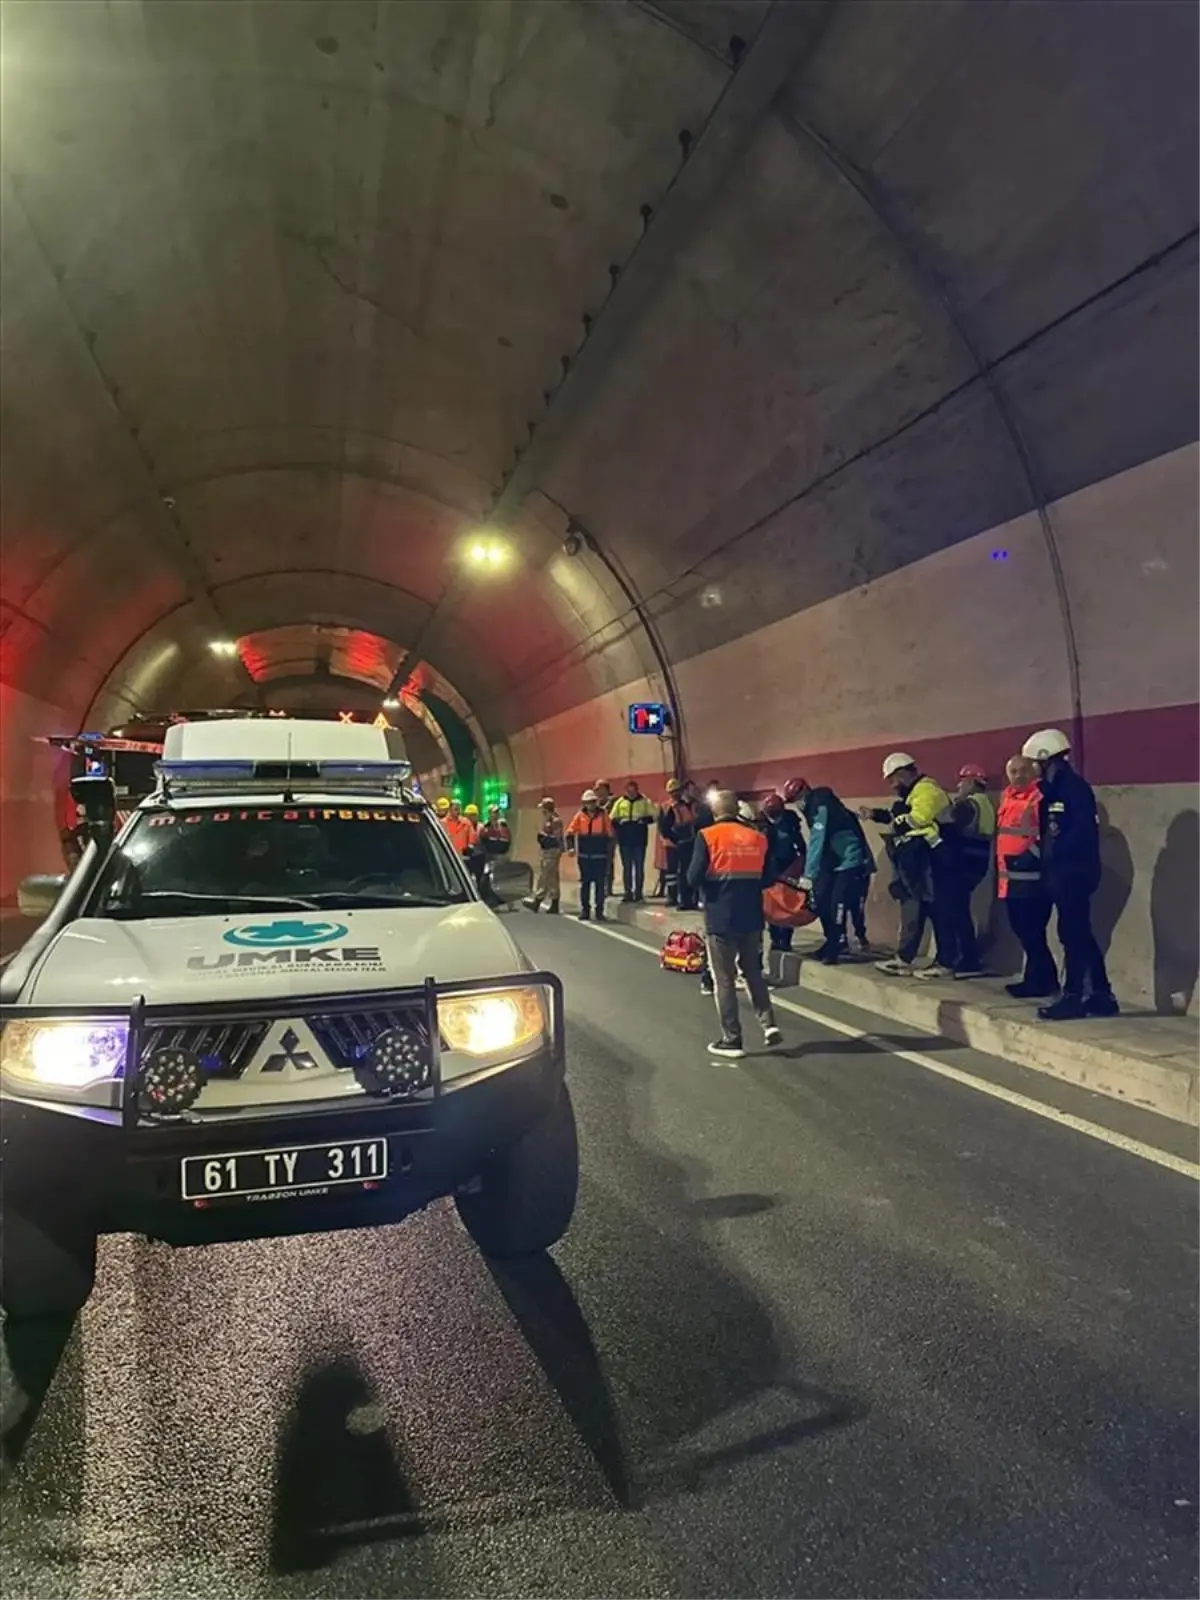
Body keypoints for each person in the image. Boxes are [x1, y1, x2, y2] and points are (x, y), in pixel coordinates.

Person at [1022, 728, 1119, 1019]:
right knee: (1079, 933)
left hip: (1073, 874)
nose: (1033, 769)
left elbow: (1076, 837)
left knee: (1072, 934)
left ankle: (1074, 996)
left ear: (1045, 759)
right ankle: (1101, 995)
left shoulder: (1073, 790)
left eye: (1035, 763)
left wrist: (1061, 868)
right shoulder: (1052, 792)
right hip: (1061, 874)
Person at [688, 791, 783, 1059]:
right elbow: (769, 877)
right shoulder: (757, 837)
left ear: (715, 811)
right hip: (752, 915)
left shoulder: (707, 836)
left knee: (724, 979)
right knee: (752, 971)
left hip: (721, 917)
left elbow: (693, 877)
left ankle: (732, 1039)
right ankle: (769, 1024)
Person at [876, 753, 957, 978]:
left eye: (893, 780)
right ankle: (905, 958)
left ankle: (945, 963)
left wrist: (900, 819)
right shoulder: (915, 793)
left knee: (940, 912)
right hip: (924, 862)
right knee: (920, 910)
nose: (893, 786)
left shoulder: (927, 791)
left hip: (936, 861)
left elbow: (916, 820)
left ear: (903, 773)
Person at [793, 779, 875, 965]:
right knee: (822, 901)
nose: (798, 803)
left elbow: (817, 838)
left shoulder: (820, 803)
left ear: (806, 792)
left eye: (798, 798)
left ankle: (836, 946)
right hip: (833, 862)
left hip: (849, 861)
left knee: (838, 903)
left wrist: (809, 874)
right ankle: (832, 941)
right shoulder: (816, 807)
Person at [995, 754, 1057, 997]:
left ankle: (1044, 981)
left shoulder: (1039, 797)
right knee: (1024, 931)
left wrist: (1032, 855)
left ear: (1034, 772)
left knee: (1031, 932)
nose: (1018, 776)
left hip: (1032, 878)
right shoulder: (1007, 797)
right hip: (1010, 878)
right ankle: (1036, 979)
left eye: (1023, 770)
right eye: (1013, 771)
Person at [946, 763, 996, 978]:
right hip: (979, 863)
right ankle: (968, 955)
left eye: (962, 780)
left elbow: (948, 826)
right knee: (962, 910)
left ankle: (967, 957)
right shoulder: (986, 803)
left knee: (957, 912)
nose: (959, 784)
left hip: (962, 863)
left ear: (972, 782)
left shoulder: (967, 805)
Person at [760, 792, 805, 978]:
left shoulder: (790, 823)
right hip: (771, 869)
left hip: (789, 867)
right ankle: (776, 938)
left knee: (787, 905)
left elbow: (800, 846)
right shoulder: (762, 825)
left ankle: (785, 939)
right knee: (772, 906)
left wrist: (799, 867)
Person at [566, 788, 615, 922]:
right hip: (584, 856)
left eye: (592, 802)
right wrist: (570, 848)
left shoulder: (603, 815)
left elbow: (611, 835)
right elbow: (569, 833)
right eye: (587, 803)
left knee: (600, 884)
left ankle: (599, 911)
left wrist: (609, 853)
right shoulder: (579, 816)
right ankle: (585, 910)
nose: (590, 805)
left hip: (600, 856)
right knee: (585, 884)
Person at [609, 779, 655, 901]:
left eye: (633, 791)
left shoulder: (645, 801)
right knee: (627, 867)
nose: (631, 793)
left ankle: (638, 893)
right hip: (624, 839)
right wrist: (620, 822)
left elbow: (653, 816)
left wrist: (642, 820)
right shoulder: (620, 802)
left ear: (637, 790)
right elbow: (612, 819)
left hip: (639, 838)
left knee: (639, 867)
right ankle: (628, 893)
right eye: (629, 791)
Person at [659, 778, 698, 909]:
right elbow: (664, 827)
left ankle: (686, 899)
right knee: (673, 873)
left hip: (686, 842)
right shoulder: (668, 807)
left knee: (684, 872)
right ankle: (673, 897)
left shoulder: (687, 805)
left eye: (677, 791)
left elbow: (692, 822)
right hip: (673, 844)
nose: (675, 794)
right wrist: (674, 840)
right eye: (673, 792)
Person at [525, 797, 564, 914]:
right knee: (550, 878)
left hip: (552, 851)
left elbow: (557, 839)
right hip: (547, 851)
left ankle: (538, 900)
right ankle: (553, 902)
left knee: (545, 876)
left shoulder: (555, 821)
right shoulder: (548, 820)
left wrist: (544, 837)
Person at [593, 779, 617, 897]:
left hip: (609, 836)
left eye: (598, 789)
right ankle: (601, 885)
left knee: (608, 861)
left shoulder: (613, 802)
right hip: (597, 837)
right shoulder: (596, 803)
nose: (596, 792)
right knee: (599, 862)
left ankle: (608, 887)